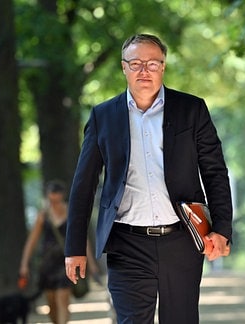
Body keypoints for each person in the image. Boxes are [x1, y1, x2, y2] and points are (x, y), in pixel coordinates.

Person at [63, 34, 233, 324]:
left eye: (153, 64)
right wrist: (75, 247)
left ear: (163, 67)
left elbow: (215, 172)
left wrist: (222, 228)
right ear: (124, 67)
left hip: (182, 240)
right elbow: (84, 184)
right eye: (136, 63)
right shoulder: (103, 116)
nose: (145, 71)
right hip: (126, 243)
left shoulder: (191, 110)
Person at [19, 180, 97, 324]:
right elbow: (32, 241)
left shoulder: (71, 213)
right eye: (51, 197)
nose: (53, 200)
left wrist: (90, 263)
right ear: (48, 196)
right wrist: (24, 264)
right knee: (51, 304)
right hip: (47, 264)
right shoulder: (43, 216)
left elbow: (82, 239)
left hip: (66, 261)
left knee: (63, 300)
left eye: (56, 196)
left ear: (62, 195)